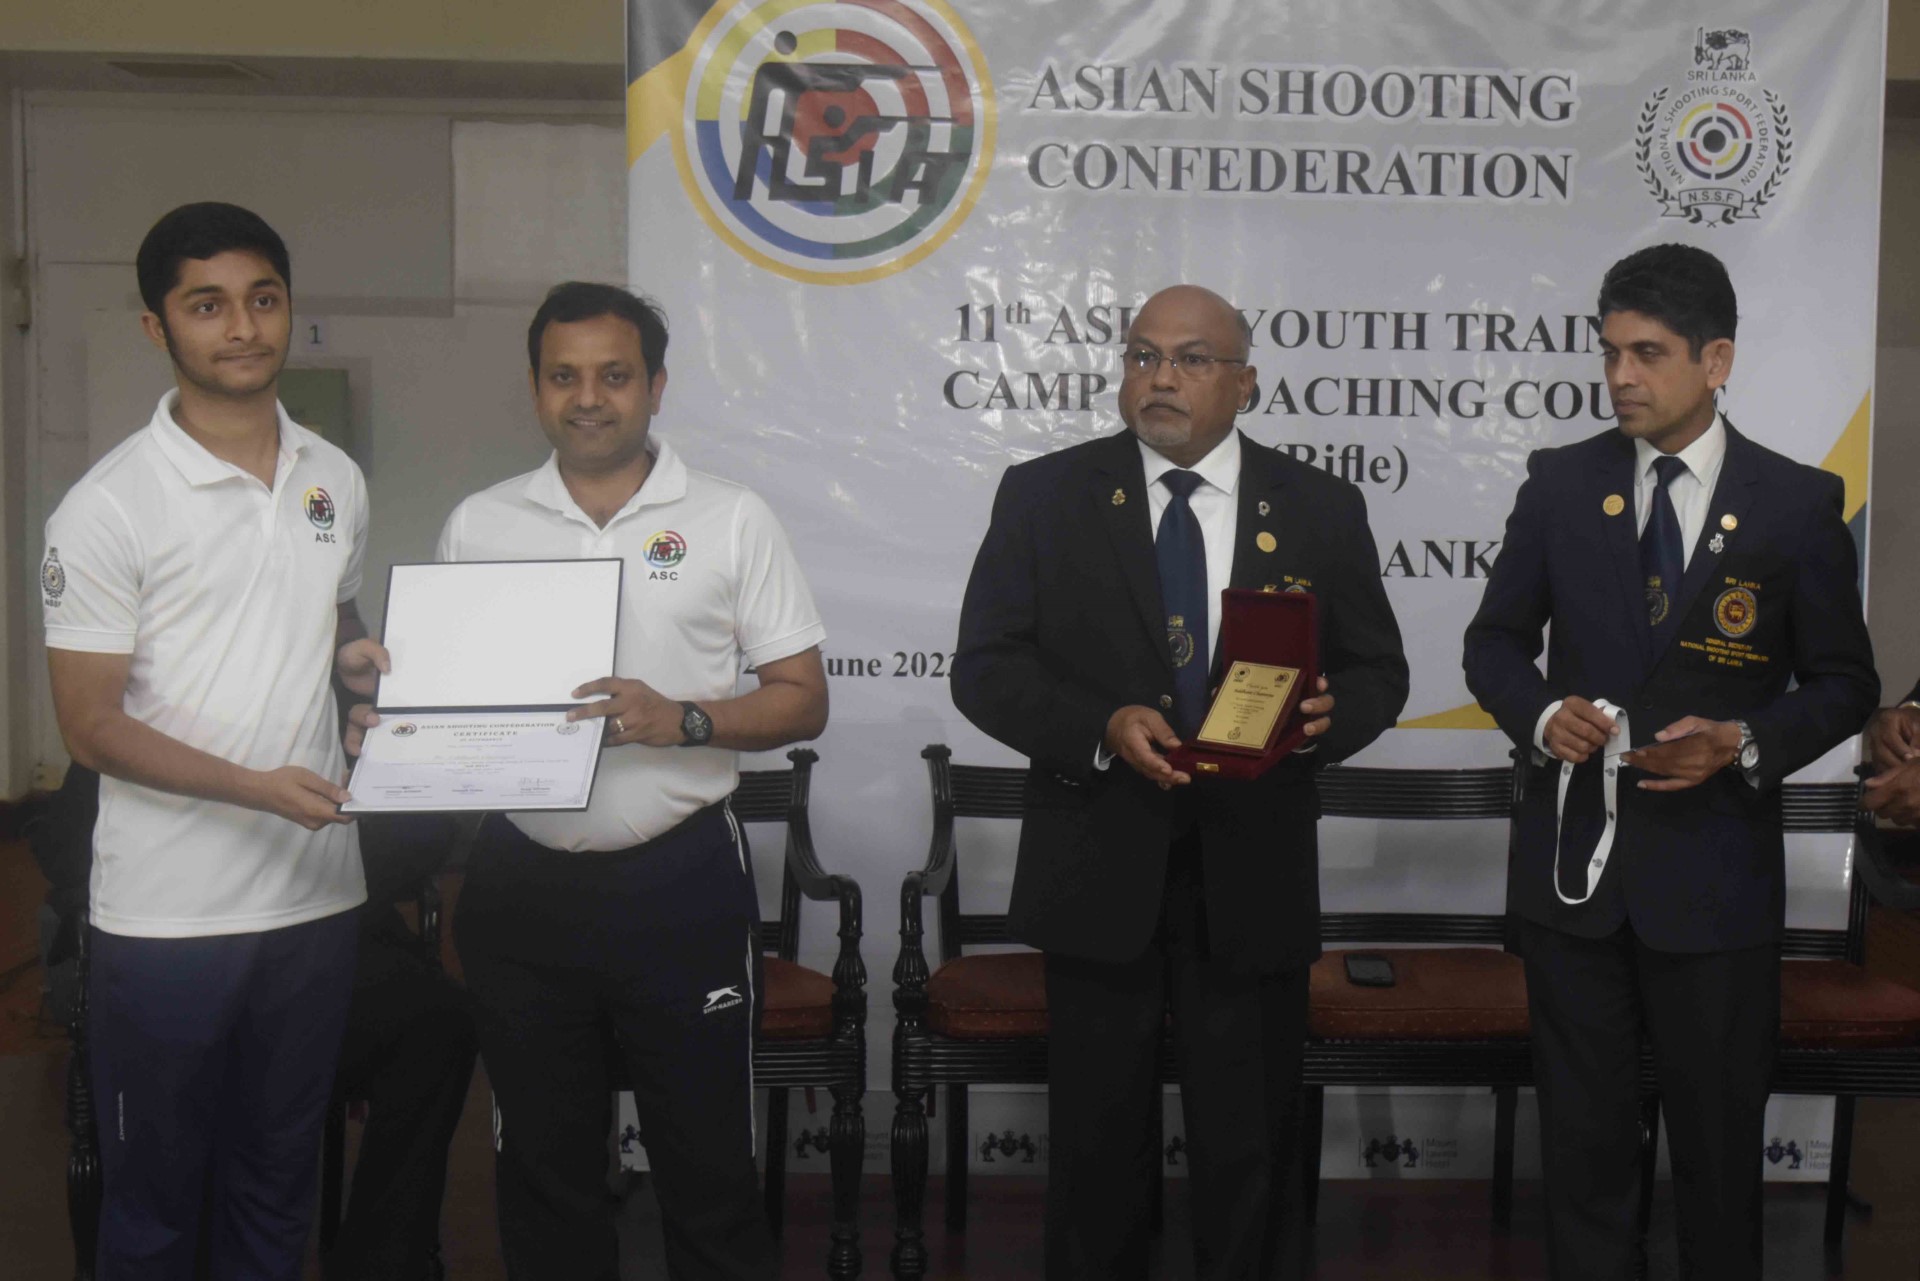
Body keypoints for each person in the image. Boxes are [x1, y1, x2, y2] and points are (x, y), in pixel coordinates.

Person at [350, 281, 827, 1280]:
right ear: (536, 389)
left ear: (656, 385)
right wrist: (390, 734)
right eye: (564, 377)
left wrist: (683, 718)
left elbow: (802, 699)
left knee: (708, 1172)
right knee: (544, 1175)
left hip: (679, 880)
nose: (589, 398)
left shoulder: (731, 519)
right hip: (522, 886)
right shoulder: (481, 523)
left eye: (614, 375)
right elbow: (444, 707)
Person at [951, 285, 1409, 1280]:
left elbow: (1379, 670)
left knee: (1250, 1151)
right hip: (1098, 859)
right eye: (1143, 355)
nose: (1160, 377)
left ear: (1246, 383)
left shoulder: (1320, 507)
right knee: (1095, 1154)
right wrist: (1100, 727)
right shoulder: (1045, 495)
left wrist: (1332, 720)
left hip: (1253, 866)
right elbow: (985, 668)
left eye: (1192, 359)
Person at [1462, 243, 1879, 1280]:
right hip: (1575, 882)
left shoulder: (1797, 503)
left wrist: (1744, 740)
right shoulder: (1561, 485)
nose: (1620, 377)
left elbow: (1844, 682)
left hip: (1715, 883)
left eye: (1647, 353)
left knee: (1719, 1155)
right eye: (1610, 352)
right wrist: (1540, 712)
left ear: (1716, 359)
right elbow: (1493, 644)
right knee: (1585, 1154)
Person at [40, 202, 385, 1278]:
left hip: (317, 898)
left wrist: (356, 667)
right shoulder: (107, 508)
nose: (242, 327)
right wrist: (255, 787)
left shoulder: (334, 476)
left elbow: (329, 617)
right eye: (208, 305)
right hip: (168, 918)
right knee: (153, 1207)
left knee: (279, 1186)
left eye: (262, 299)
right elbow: (89, 726)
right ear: (159, 327)